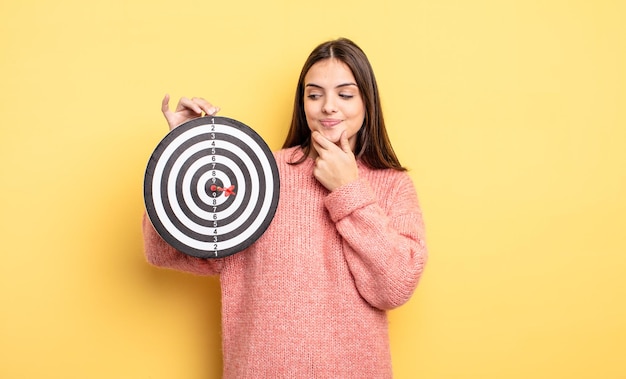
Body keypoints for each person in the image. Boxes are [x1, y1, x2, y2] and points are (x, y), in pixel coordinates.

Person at [142, 37, 428, 378]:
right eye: (314, 94)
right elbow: (166, 252)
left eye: (345, 94)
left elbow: (395, 286)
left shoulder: (392, 184)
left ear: (367, 101)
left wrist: (349, 191)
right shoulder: (259, 173)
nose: (328, 107)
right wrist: (184, 153)